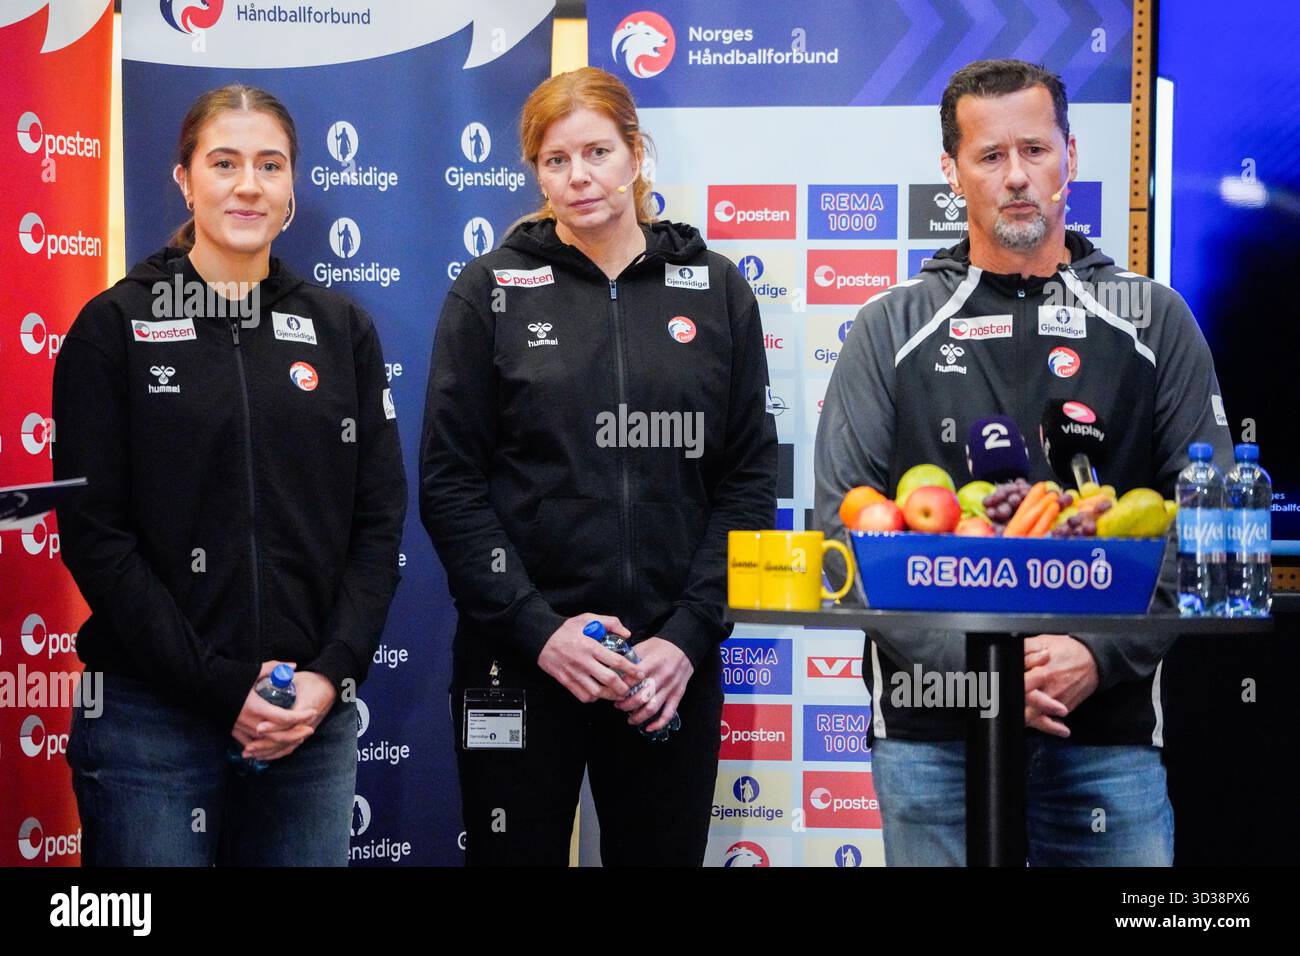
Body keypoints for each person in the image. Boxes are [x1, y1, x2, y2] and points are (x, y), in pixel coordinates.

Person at [814, 59, 1233, 866]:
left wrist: (1096, 656)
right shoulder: (888, 326)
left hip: (1106, 734)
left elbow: (1208, 519)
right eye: (990, 155)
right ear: (951, 171)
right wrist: (986, 673)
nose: (1016, 177)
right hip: (931, 735)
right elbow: (844, 528)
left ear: (1071, 156)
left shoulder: (1155, 321)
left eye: (1036, 150)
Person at [420, 66, 777, 867]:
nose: (578, 177)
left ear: (636, 154)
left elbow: (749, 479)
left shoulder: (716, 290)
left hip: (664, 669)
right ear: (534, 171)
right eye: (554, 160)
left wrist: (686, 637)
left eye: (597, 152)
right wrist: (539, 632)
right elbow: (449, 481)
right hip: (519, 657)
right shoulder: (490, 291)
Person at [53, 84, 406, 866]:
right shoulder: (116, 326)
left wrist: (329, 676)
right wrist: (216, 683)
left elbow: (378, 524)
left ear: (292, 186)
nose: (248, 184)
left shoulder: (340, 329)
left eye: (270, 165)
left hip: (307, 723)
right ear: (183, 178)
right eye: (224, 162)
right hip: (151, 723)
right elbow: (95, 535)